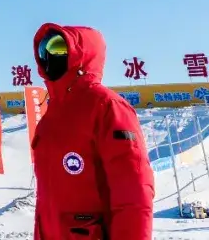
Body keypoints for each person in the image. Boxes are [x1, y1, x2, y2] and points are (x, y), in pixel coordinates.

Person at [32, 22, 154, 239]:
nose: (49, 55)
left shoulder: (107, 107)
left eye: (58, 47)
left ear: (81, 55)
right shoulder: (50, 117)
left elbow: (134, 193)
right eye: (44, 49)